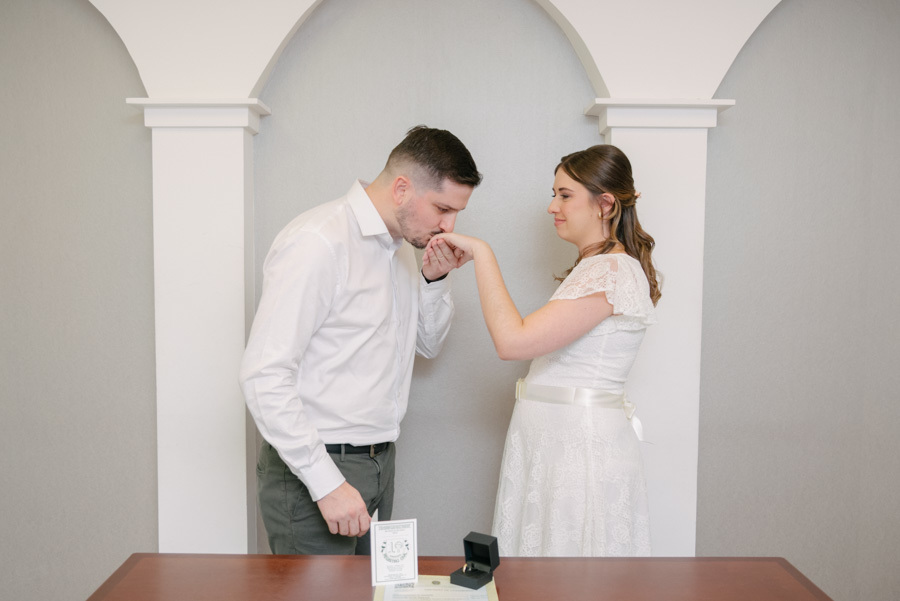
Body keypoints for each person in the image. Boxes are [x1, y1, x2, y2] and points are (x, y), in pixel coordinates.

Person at [240, 126, 482, 555]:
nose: (449, 225)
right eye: (443, 208)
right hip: (316, 468)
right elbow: (263, 375)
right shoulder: (318, 242)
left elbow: (427, 345)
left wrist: (435, 279)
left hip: (380, 461)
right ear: (402, 189)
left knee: (373, 590)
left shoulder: (403, 248)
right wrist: (326, 483)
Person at [427, 144, 660, 557]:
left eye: (565, 195)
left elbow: (513, 341)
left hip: (578, 454)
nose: (552, 206)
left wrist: (482, 253)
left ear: (605, 204)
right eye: (554, 194)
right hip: (557, 448)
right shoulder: (596, 267)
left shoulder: (610, 270)